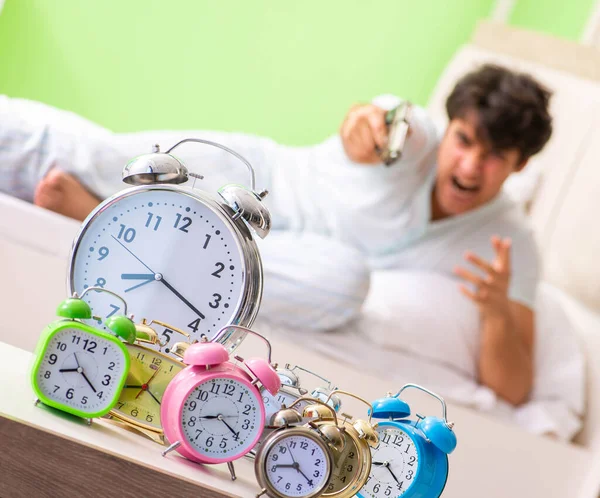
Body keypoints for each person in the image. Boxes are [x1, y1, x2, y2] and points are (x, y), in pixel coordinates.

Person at [0, 64, 552, 406]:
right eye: (465, 140)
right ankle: (102, 201)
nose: (471, 165)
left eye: (495, 155)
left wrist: (499, 311)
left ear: (520, 166)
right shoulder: (416, 136)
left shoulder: (510, 242)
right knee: (89, 153)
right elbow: (375, 121)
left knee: (344, 283)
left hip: (296, 256)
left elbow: (514, 388)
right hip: (256, 182)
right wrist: (365, 127)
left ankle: (101, 214)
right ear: (447, 125)